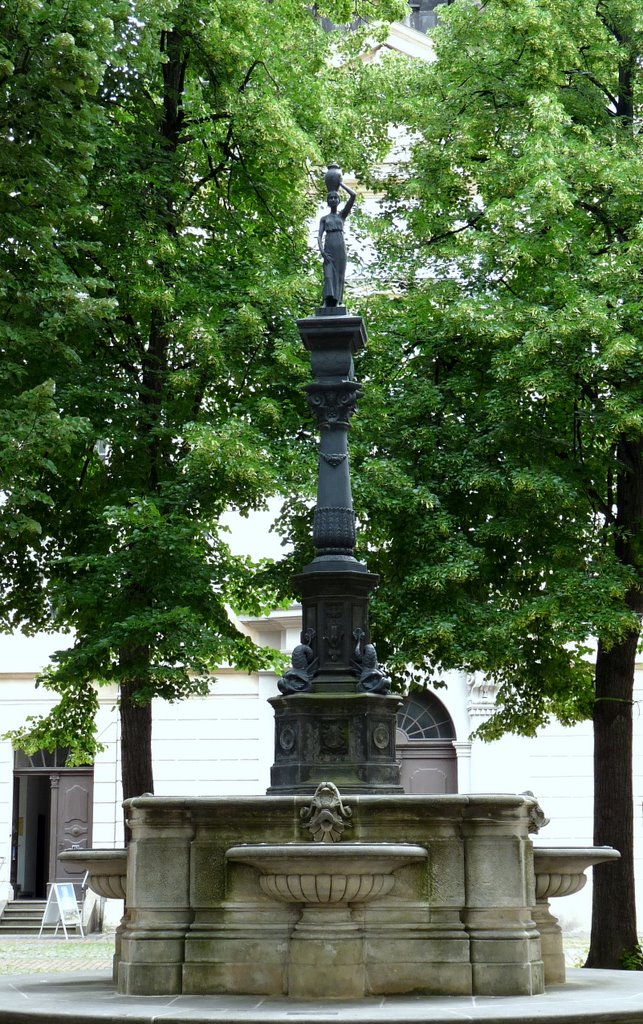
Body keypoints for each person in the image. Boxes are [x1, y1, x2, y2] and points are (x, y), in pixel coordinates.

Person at [318, 181, 355, 307]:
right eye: (330, 198)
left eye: (335, 197)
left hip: (340, 247)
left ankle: (338, 301)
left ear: (339, 200)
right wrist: (322, 251)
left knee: (339, 275)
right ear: (328, 201)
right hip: (328, 247)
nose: (333, 200)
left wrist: (340, 183)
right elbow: (319, 235)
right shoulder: (324, 218)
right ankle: (326, 301)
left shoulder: (341, 216)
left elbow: (353, 196)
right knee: (328, 276)